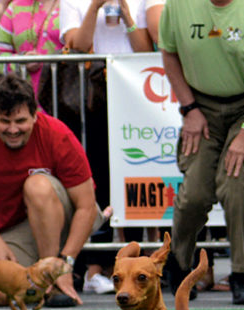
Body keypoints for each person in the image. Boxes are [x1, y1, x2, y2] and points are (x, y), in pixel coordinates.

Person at [157, 0, 244, 304]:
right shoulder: (178, 6)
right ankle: (179, 266)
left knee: (238, 182)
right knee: (194, 193)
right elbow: (169, 52)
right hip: (201, 102)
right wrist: (189, 107)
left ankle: (242, 273)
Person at [0, 71, 97, 304]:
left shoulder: (58, 135)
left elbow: (86, 206)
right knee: (1, 295)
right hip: (15, 224)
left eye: (20, 121)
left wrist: (65, 263)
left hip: (65, 215)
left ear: (35, 115)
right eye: (5, 121)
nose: (13, 129)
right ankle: (41, 284)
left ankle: (52, 276)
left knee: (37, 186)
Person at [60, 0, 154, 295]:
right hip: (92, 101)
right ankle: (95, 267)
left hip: (134, 94)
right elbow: (78, 44)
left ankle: (135, 266)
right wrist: (94, 7)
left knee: (133, 178)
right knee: (96, 179)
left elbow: (144, 49)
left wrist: (126, 13)